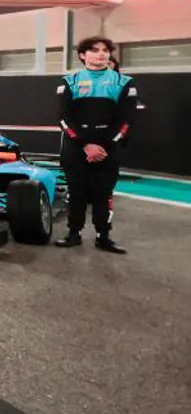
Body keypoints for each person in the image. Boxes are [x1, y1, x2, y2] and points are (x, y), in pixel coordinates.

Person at [55, 36, 137, 253]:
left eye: (105, 50)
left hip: (107, 148)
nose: (101, 54)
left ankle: (104, 236)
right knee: (76, 192)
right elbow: (63, 118)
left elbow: (126, 120)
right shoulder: (69, 81)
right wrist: (84, 145)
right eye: (95, 50)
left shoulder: (124, 82)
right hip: (76, 148)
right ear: (83, 55)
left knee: (104, 193)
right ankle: (74, 233)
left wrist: (106, 146)